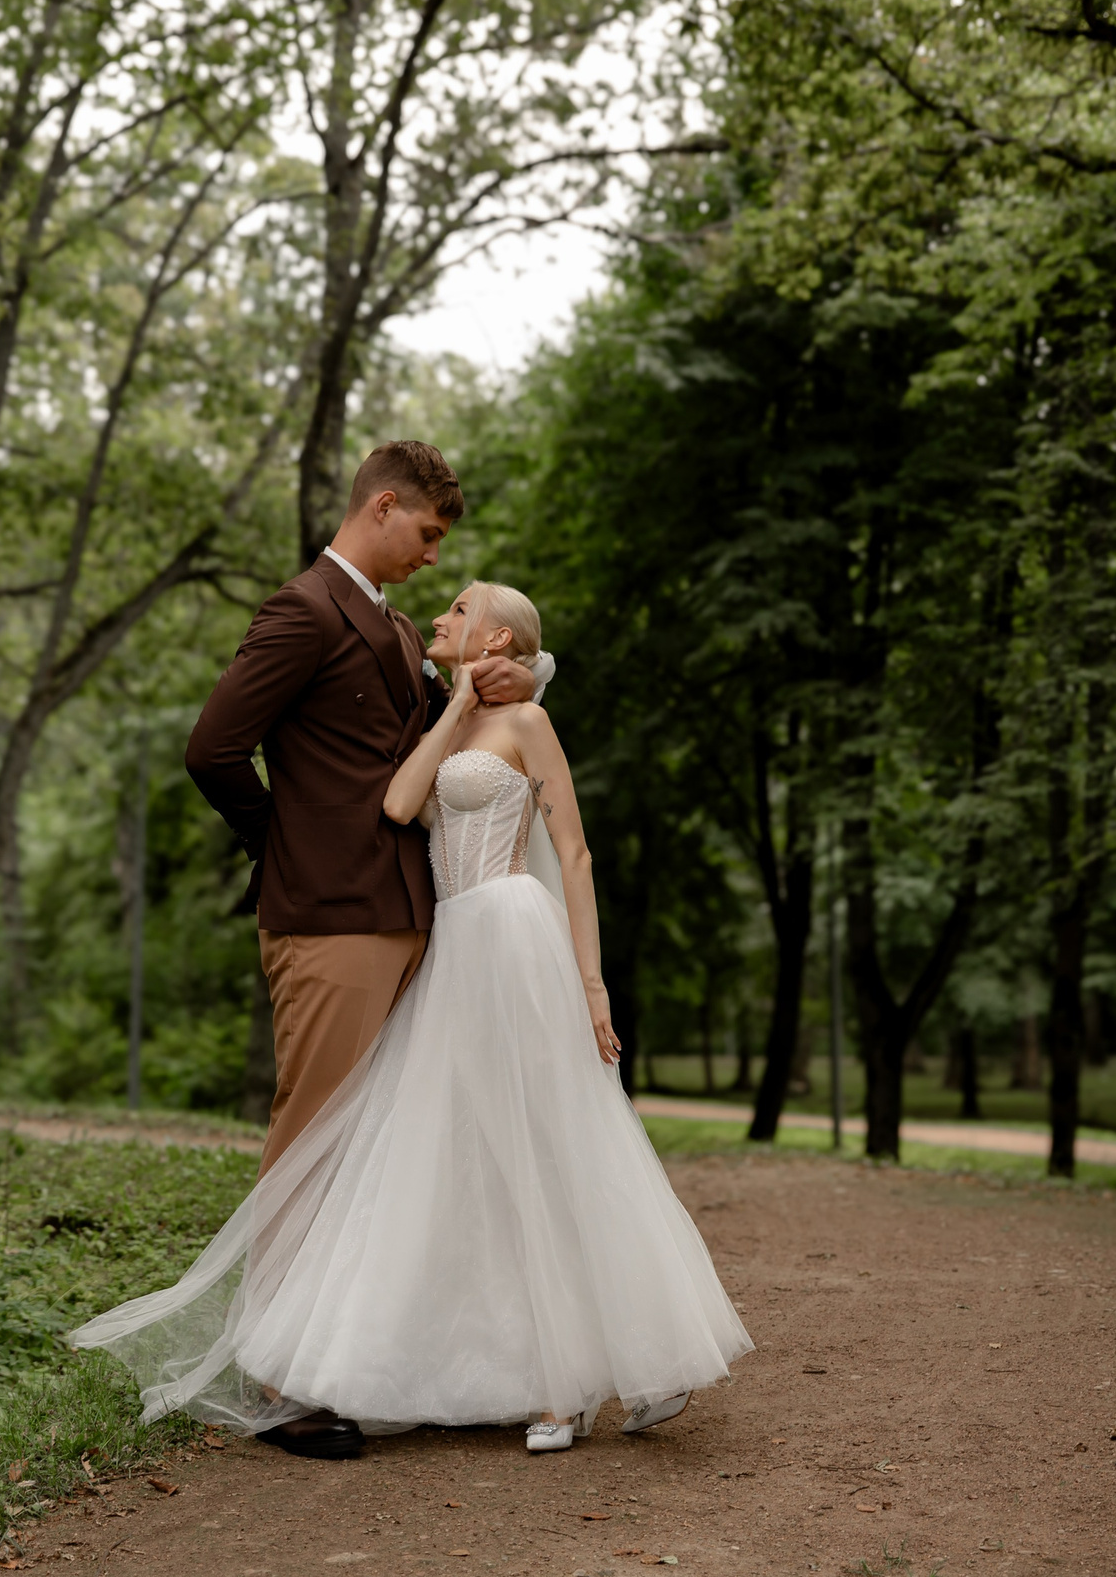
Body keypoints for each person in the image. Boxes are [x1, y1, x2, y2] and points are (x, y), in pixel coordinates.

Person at [71, 562, 751, 1458]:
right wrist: (456, 702)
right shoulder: (451, 717)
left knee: (542, 1141)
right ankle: (499, 1360)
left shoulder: (530, 722)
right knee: (452, 1147)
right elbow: (398, 802)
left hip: (511, 934)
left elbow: (573, 854)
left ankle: (577, 1381)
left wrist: (593, 986)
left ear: (500, 636)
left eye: (459, 609)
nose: (439, 612)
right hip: (451, 945)